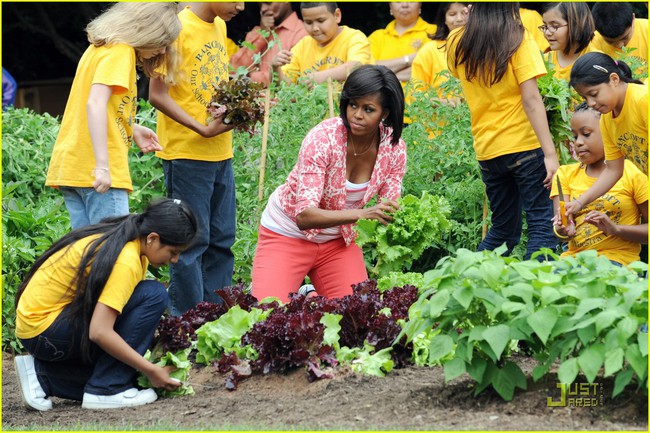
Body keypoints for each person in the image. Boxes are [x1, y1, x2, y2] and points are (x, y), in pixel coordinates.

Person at [14, 198, 198, 411]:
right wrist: (150, 369)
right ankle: (107, 388)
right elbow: (99, 331)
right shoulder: (126, 259)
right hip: (45, 330)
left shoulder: (132, 240)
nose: (174, 260)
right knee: (154, 295)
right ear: (153, 238)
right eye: (173, 252)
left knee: (131, 374)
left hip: (41, 329)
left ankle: (42, 376)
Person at [251, 65, 406, 303]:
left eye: (368, 109)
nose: (357, 114)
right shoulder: (323, 139)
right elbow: (304, 216)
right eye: (352, 105)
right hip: (288, 233)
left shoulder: (393, 148)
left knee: (357, 313)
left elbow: (387, 208)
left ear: (385, 113)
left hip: (338, 242)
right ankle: (307, 297)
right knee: (265, 314)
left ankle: (309, 297)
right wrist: (364, 214)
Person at [45, 3, 182, 230]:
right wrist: (102, 167)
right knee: (111, 250)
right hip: (97, 172)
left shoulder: (100, 48)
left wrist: (132, 128)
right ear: (146, 31)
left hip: (73, 167)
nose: (163, 51)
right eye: (162, 41)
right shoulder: (122, 52)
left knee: (86, 252)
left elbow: (95, 105)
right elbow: (95, 103)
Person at [149, 2, 244, 316]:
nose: (242, 6)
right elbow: (157, 94)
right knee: (190, 243)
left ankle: (216, 320)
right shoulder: (176, 27)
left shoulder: (220, 25)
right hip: (187, 154)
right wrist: (201, 129)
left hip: (221, 152)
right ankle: (188, 324)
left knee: (222, 240)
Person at [446, 3, 560, 259]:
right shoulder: (518, 37)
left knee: (503, 232)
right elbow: (531, 99)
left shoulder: (456, 40)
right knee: (542, 227)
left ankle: (466, 281)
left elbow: (460, 75)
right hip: (525, 147)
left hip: (488, 150)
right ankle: (538, 294)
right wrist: (550, 154)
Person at [551, 103, 647, 266]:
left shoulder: (632, 172)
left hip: (616, 262)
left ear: (608, 132)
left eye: (586, 134)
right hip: (572, 262)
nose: (578, 142)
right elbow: (563, 227)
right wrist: (562, 230)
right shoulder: (565, 174)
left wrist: (615, 229)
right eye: (575, 137)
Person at [564, 52, 647, 219]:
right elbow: (613, 170)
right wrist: (580, 202)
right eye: (584, 98)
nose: (591, 103)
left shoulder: (643, 100)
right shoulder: (607, 119)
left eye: (594, 94)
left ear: (614, 80)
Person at [272, 2, 373, 85]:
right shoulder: (302, 46)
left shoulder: (354, 37)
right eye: (308, 22)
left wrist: (319, 77)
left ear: (337, 16)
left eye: (321, 21)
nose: (315, 28)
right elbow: (284, 87)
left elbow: (356, 66)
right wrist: (275, 68)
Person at [230, 2, 307, 86]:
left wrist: (249, 76)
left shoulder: (302, 33)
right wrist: (262, 35)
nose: (263, 9)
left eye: (268, 3)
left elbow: (291, 79)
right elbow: (234, 70)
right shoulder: (258, 31)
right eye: (260, 5)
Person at [367, 2, 437, 82]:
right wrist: (408, 59)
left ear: (420, 5)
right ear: (390, 7)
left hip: (423, 93)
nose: (404, 5)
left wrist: (387, 78)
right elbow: (369, 70)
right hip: (385, 94)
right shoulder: (377, 37)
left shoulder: (434, 32)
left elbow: (432, 67)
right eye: (398, 1)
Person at [411, 2, 468, 91]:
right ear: (444, 19)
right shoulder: (430, 50)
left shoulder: (484, 47)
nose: (459, 19)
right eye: (452, 14)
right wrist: (437, 102)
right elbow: (415, 92)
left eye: (465, 13)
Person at [540, 3, 597, 81]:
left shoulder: (596, 62)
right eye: (545, 26)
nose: (547, 33)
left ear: (576, 25)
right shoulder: (542, 62)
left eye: (555, 26)